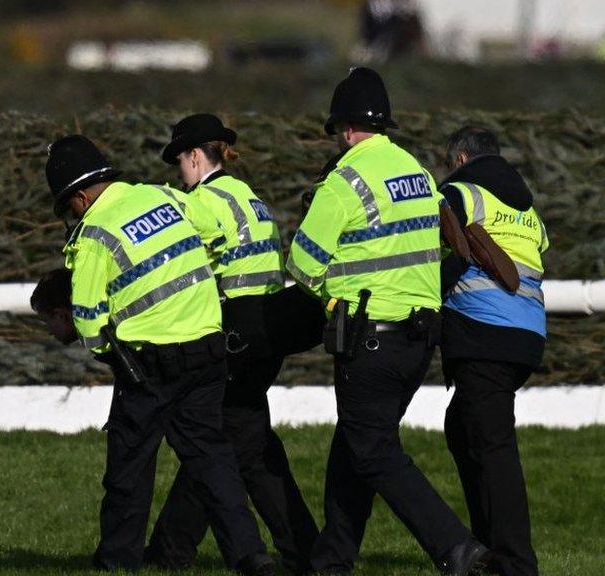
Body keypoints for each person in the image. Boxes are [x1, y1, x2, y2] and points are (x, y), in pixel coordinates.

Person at [286, 67, 487, 575]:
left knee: (372, 449)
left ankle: (456, 548)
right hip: (419, 342)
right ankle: (331, 560)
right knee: (353, 444)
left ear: (346, 128)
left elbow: (303, 264)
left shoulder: (345, 179)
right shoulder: (419, 174)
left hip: (369, 338)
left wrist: (334, 293)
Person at [45, 134, 276, 575]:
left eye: (66, 209)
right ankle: (251, 556)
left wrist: (108, 354)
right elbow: (214, 231)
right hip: (209, 347)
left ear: (79, 197)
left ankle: (118, 562)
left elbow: (90, 319)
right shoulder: (160, 197)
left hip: (149, 366)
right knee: (212, 462)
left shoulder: (93, 234)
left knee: (128, 473)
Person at [143, 113, 322, 575]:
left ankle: (171, 551)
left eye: (180, 161)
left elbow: (177, 269)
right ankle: (303, 550)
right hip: (267, 330)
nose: (179, 173)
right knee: (247, 443)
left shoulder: (201, 204)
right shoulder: (249, 196)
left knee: (215, 446)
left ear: (197, 157)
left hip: (235, 334)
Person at [439, 126, 547, 576]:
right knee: (462, 429)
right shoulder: (527, 207)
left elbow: (435, 249)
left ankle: (515, 562)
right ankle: (487, 546)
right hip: (526, 334)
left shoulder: (459, 192)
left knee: (495, 447)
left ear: (461, 158)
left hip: (484, 331)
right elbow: (539, 254)